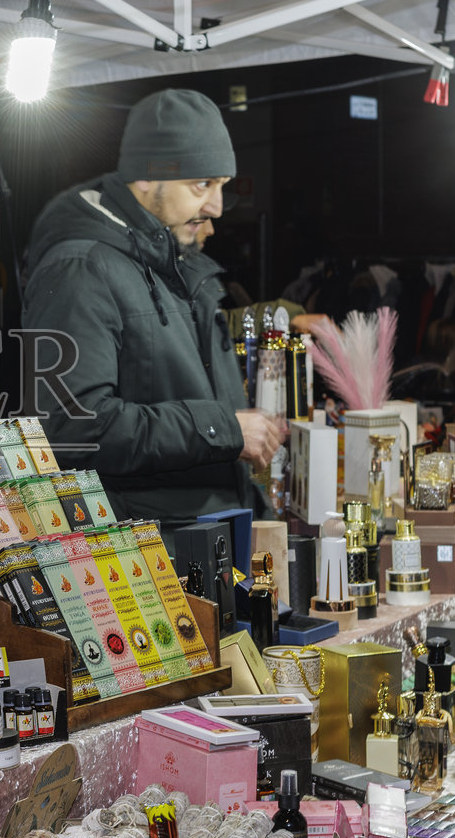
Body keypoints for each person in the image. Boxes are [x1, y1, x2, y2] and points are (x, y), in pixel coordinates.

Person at [22, 88, 284, 521]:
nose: (216, 206)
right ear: (146, 177)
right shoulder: (81, 268)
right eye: (201, 183)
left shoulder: (173, 262)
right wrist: (222, 429)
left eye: (221, 185)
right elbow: (71, 430)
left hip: (204, 536)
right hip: (144, 560)